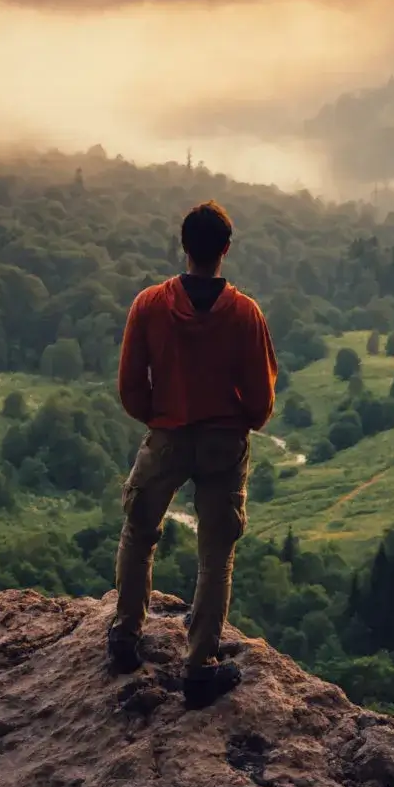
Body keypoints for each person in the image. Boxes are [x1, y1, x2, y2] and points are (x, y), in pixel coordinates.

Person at [110, 199, 278, 706]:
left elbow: (130, 385)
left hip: (167, 436)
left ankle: (124, 637)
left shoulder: (150, 305)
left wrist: (159, 420)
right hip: (224, 442)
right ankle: (200, 666)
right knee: (216, 552)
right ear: (225, 249)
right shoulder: (245, 313)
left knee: (139, 532)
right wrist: (237, 423)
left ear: (183, 246)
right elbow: (262, 399)